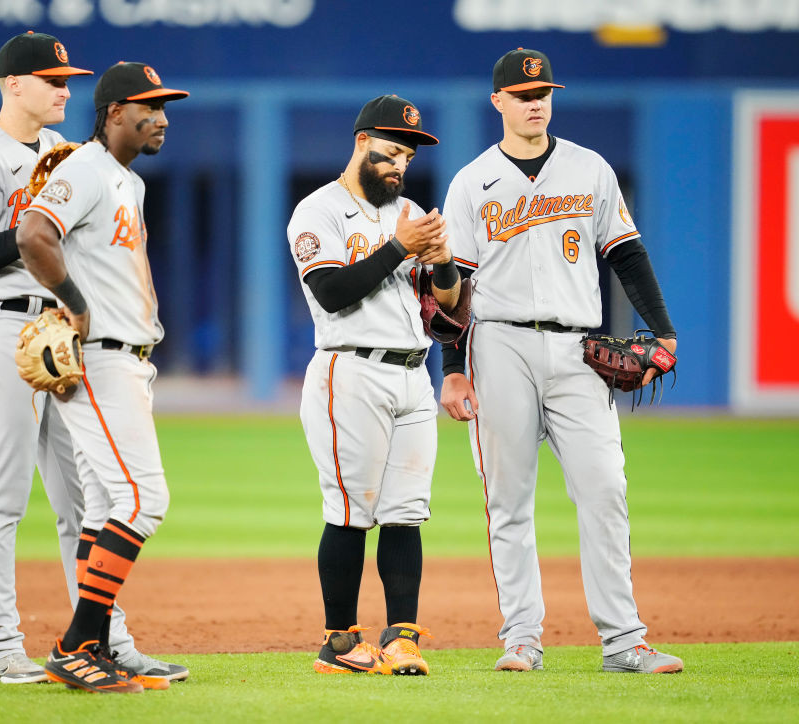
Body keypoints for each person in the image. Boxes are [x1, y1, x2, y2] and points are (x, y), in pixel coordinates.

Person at [0, 34, 185, 688]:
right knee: (4, 494)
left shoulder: (68, 155)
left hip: (58, 332)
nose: (64, 90)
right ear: (13, 84)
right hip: (1, 324)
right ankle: (0, 646)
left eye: (68, 80)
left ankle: (104, 639)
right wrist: (46, 237)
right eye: (51, 80)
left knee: (85, 501)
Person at [439, 48, 683, 674]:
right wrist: (453, 368)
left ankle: (624, 641)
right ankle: (521, 638)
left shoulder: (589, 168)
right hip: (498, 344)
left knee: (605, 487)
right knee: (509, 500)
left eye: (543, 91)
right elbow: (453, 289)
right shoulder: (472, 181)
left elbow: (626, 254)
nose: (535, 101)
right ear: (498, 101)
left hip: (579, 347)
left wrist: (664, 330)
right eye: (522, 94)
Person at [15, 61, 189, 694]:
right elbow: (34, 234)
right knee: (145, 500)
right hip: (101, 360)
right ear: (115, 112)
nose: (163, 118)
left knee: (103, 507)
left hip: (129, 359)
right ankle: (76, 643)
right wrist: (75, 303)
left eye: (165, 107)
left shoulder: (127, 181)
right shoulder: (85, 169)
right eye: (151, 107)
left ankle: (100, 647)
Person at [287, 95, 459, 676]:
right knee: (350, 511)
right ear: (361, 142)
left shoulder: (407, 209)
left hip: (414, 373)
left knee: (406, 513)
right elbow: (332, 293)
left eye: (407, 156)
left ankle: (401, 638)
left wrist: (441, 261)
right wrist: (399, 248)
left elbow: (449, 304)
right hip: (349, 370)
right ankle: (337, 644)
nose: (400, 165)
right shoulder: (318, 212)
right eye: (391, 152)